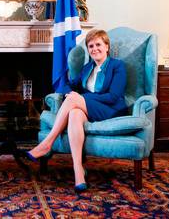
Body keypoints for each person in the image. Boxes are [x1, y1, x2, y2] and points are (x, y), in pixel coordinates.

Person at [26, 29, 127, 193]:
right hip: (90, 108)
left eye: (98, 45)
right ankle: (78, 170)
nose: (94, 49)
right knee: (74, 112)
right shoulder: (88, 68)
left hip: (111, 109)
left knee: (73, 99)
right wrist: (69, 91)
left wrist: (82, 99)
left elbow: (114, 96)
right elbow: (70, 84)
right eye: (91, 46)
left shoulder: (117, 66)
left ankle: (47, 143)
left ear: (107, 46)